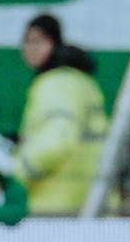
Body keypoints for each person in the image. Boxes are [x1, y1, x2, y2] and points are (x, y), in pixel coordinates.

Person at [15, 14, 113, 215]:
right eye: (26, 42)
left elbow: (57, 141)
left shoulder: (55, 84)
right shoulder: (82, 82)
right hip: (92, 201)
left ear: (54, 43)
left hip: (57, 206)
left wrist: (14, 173)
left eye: (37, 41)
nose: (30, 49)